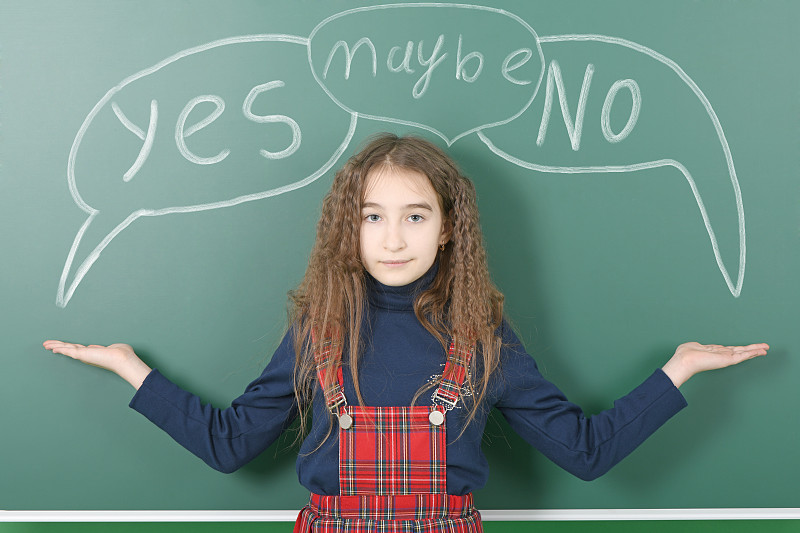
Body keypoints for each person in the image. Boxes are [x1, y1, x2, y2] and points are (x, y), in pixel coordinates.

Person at [44, 133, 768, 532]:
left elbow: (584, 453)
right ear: (348, 226)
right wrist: (133, 370)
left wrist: (677, 370)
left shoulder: (485, 338)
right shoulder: (316, 333)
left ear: (447, 227)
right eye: (372, 215)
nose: (393, 237)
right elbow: (231, 444)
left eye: (415, 215)